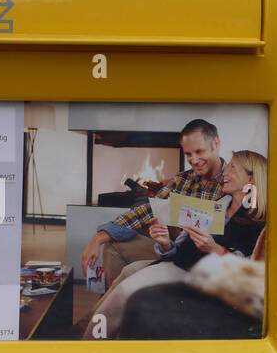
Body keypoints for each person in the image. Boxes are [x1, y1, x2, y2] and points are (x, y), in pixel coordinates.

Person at [84, 150, 267, 338]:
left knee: (125, 292)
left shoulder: (257, 223)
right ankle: (91, 343)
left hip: (203, 280)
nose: (225, 173)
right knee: (123, 291)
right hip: (178, 265)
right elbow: (178, 249)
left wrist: (215, 249)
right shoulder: (216, 206)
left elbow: (249, 270)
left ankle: (94, 344)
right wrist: (165, 243)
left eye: (233, 168)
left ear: (251, 179)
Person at [80, 118, 227, 291]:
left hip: (206, 263)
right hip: (172, 251)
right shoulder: (182, 180)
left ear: (216, 143)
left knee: (130, 270)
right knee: (112, 247)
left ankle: (107, 311)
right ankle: (112, 310)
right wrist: (98, 238)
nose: (194, 160)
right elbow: (146, 211)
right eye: (188, 154)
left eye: (199, 151)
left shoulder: (232, 180)